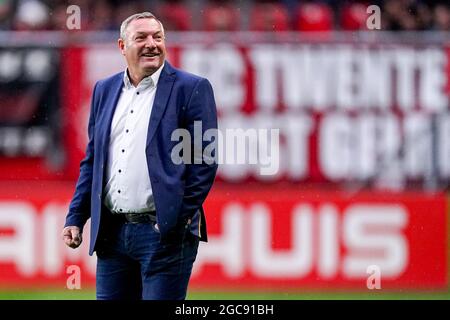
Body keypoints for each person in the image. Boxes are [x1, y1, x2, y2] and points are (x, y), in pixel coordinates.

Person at [62, 12, 218, 300]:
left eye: (158, 37)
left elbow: (204, 162)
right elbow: (93, 161)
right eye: (141, 38)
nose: (152, 44)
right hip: (112, 235)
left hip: (163, 236)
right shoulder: (104, 90)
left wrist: (174, 219)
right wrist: (76, 216)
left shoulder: (191, 88)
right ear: (122, 46)